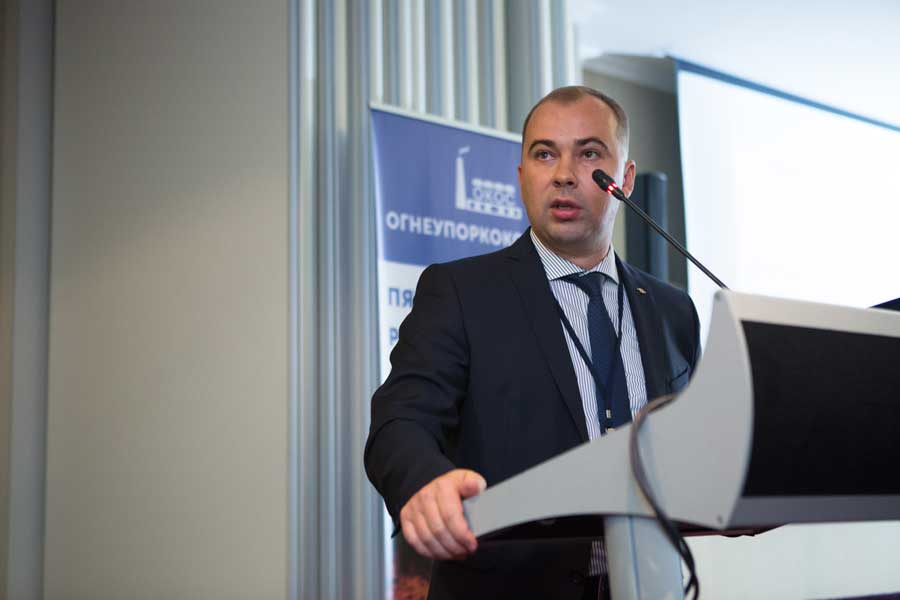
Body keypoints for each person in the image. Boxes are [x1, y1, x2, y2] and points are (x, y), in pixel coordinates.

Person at [364, 86, 701, 600]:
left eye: (589, 153)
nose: (563, 174)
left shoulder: (673, 310)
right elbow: (401, 419)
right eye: (545, 154)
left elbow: (692, 448)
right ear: (522, 176)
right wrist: (423, 481)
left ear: (625, 179)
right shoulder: (461, 292)